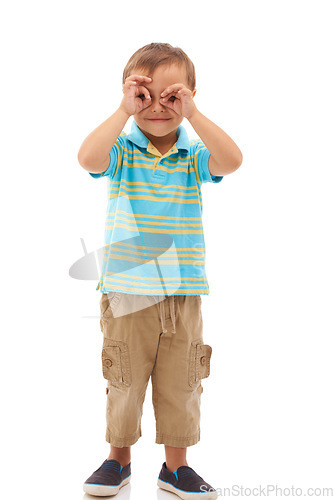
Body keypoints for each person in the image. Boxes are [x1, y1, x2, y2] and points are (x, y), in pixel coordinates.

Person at [77, 42, 243, 499]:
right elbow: (87, 159)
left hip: (183, 290)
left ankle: (175, 467)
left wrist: (193, 114)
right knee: (124, 378)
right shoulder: (123, 151)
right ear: (130, 98)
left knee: (182, 381)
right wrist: (121, 110)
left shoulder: (192, 156)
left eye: (171, 97)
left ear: (188, 97)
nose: (157, 108)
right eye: (145, 96)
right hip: (126, 288)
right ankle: (118, 459)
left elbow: (232, 161)